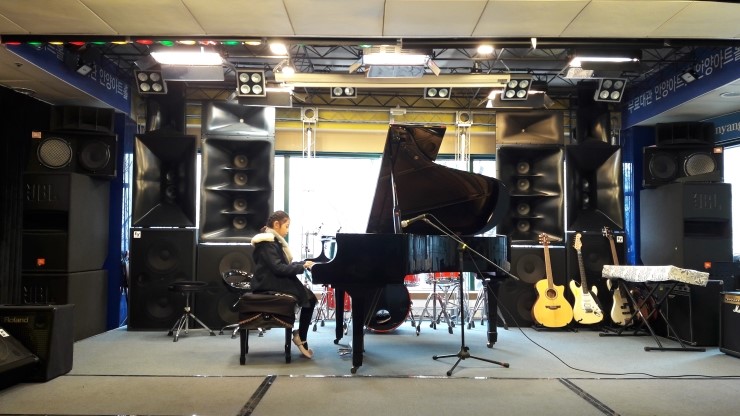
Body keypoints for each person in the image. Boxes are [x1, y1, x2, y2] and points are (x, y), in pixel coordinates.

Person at [251, 211, 317, 358]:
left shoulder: (272, 241)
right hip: (267, 283)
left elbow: (281, 265)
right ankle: (301, 337)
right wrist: (302, 267)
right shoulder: (267, 243)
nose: (287, 230)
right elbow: (278, 268)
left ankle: (301, 335)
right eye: (286, 226)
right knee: (310, 298)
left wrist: (303, 263)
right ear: (276, 224)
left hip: (272, 279)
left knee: (310, 298)